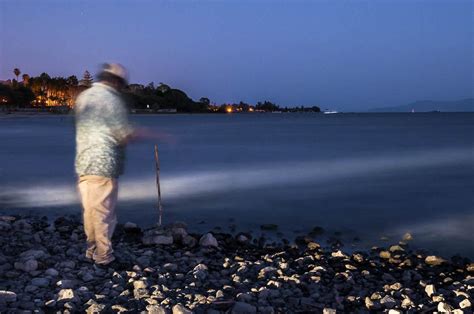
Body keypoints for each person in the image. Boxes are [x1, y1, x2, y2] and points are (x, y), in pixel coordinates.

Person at [74, 63, 134, 267]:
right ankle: (104, 256)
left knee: (90, 211)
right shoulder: (111, 100)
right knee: (104, 213)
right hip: (104, 163)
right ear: (116, 81)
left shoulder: (83, 98)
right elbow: (123, 135)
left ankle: (91, 250)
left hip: (84, 162)